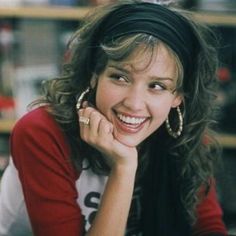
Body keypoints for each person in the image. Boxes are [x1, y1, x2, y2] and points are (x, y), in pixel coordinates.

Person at [0, 0, 228, 235]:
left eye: (157, 86)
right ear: (94, 75)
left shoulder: (184, 138)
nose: (134, 103)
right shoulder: (42, 132)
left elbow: (208, 228)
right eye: (120, 77)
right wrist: (124, 167)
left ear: (178, 96)